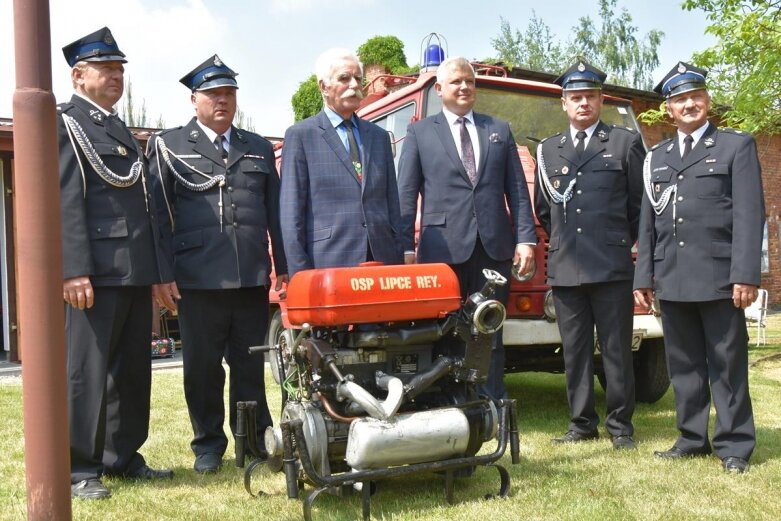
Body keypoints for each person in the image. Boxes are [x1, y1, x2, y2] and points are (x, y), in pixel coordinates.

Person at [147, 55, 288, 474]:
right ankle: (208, 444)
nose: (222, 101)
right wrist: (161, 274)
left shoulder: (258, 147)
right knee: (202, 369)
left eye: (228, 93)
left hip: (248, 276)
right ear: (195, 101)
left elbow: (275, 213)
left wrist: (283, 266)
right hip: (197, 279)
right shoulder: (170, 145)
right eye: (213, 94)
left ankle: (254, 439)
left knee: (250, 365)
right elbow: (157, 215)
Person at [58, 27, 173, 500]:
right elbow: (64, 198)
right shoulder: (66, 123)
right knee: (87, 371)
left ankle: (123, 456)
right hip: (96, 271)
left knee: (132, 370)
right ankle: (81, 467)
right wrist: (73, 267)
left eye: (120, 69)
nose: (116, 76)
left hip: (132, 268)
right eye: (106, 68)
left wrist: (153, 272)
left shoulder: (117, 127)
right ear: (78, 75)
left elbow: (141, 203)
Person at [633, 62, 765, 473]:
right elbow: (648, 220)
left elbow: (749, 214)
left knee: (727, 364)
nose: (688, 104)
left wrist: (745, 274)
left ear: (707, 101)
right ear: (668, 109)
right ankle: (692, 438)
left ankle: (734, 445)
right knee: (684, 365)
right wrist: (644, 277)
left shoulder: (735, 147)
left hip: (718, 277)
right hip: (670, 276)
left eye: (695, 96)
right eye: (679, 99)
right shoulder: (657, 156)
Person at [397, 56, 537, 401]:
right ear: (440, 88)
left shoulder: (498, 130)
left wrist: (526, 239)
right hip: (441, 250)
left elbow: (517, 191)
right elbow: (405, 195)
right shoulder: (419, 133)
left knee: (489, 328)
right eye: (457, 82)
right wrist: (404, 250)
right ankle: (448, 402)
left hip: (494, 248)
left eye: (470, 82)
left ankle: (490, 403)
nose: (464, 87)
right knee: (445, 330)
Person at [534, 60, 645, 450]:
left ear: (601, 101)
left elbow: (638, 209)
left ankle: (620, 428)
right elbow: (545, 209)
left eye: (590, 97)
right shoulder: (549, 149)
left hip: (612, 265)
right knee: (575, 352)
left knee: (616, 351)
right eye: (575, 97)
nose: (583, 104)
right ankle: (581, 424)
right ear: (564, 103)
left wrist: (615, 242)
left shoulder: (624, 143)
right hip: (566, 267)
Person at [280, 48, 403, 277]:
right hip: (327, 264)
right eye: (345, 78)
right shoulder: (301, 136)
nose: (355, 85)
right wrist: (299, 274)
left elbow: (392, 204)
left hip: (381, 262)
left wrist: (398, 257)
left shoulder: (378, 136)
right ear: (323, 87)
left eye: (358, 78)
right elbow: (291, 213)